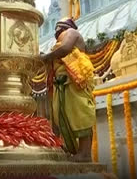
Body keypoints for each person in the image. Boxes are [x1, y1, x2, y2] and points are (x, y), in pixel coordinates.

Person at [41, 18, 96, 162]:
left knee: (80, 116)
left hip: (75, 81)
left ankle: (85, 153)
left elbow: (65, 48)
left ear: (65, 27)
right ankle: (72, 150)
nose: (56, 31)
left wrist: (45, 57)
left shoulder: (71, 32)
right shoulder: (58, 42)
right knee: (62, 117)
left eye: (58, 28)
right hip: (61, 84)